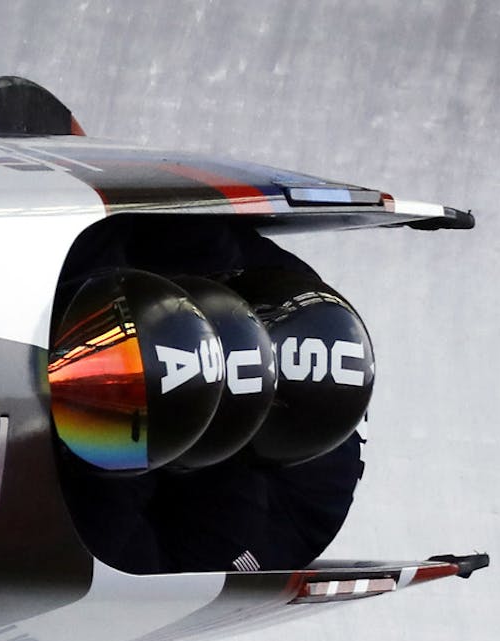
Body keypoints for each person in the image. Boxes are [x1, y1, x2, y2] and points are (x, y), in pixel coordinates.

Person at [57, 221, 368, 574]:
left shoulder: (238, 523)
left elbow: (110, 563)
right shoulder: (283, 285)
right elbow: (147, 219)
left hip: (232, 508)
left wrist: (110, 447)